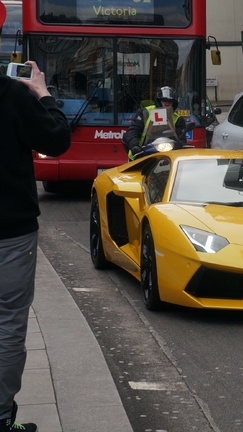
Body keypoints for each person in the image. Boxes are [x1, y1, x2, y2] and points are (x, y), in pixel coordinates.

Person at [0, 58, 71, 432]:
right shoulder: (11, 94)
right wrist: (42, 93)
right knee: (8, 321)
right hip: (10, 232)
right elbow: (57, 140)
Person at [122, 86, 186, 160]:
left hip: (168, 155)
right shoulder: (145, 112)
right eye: (164, 100)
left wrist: (179, 144)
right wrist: (134, 146)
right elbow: (133, 131)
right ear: (159, 101)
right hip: (142, 153)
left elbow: (182, 139)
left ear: (174, 103)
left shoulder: (178, 119)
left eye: (170, 101)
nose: (167, 104)